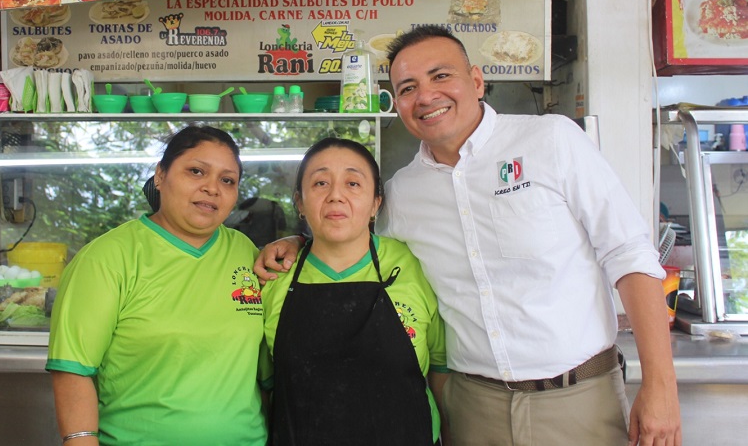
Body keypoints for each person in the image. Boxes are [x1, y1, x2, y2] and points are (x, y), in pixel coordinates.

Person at [257, 25, 681, 446]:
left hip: (578, 399)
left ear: (476, 81)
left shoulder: (551, 139)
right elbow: (347, 242)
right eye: (407, 88)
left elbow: (628, 253)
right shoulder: (404, 192)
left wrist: (660, 384)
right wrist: (299, 242)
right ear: (397, 104)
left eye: (441, 76)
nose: (425, 96)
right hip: (470, 407)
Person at [47, 125, 268, 446]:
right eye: (196, 171)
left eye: (227, 180)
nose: (212, 188)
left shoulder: (244, 251)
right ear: (161, 176)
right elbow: (72, 369)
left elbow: (263, 374)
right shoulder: (108, 257)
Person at [261, 137, 448, 446]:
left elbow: (441, 372)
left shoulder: (415, 263)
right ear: (299, 203)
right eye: (320, 183)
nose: (336, 196)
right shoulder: (275, 276)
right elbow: (266, 389)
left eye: (353, 183)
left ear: (376, 203)